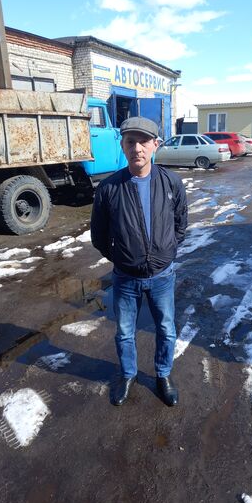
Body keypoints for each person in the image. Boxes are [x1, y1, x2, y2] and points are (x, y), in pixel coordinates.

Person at [91, 116, 188, 406]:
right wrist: (123, 258)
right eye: (130, 142)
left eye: (143, 141)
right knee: (124, 332)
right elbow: (99, 235)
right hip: (125, 277)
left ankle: (163, 375)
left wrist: (165, 253)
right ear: (122, 145)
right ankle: (128, 374)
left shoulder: (171, 182)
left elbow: (180, 224)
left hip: (162, 276)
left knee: (166, 329)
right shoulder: (109, 188)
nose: (137, 148)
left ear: (155, 144)